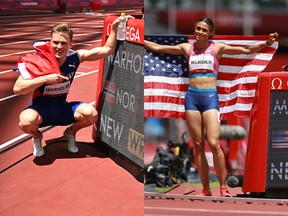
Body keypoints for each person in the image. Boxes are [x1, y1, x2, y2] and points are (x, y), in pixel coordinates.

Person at [144, 16, 278, 197]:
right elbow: (158, 48)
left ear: (210, 34)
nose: (200, 32)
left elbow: (246, 50)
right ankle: (206, 188)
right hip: (191, 97)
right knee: (198, 145)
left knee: (214, 143)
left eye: (204, 30)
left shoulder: (217, 48)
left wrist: (267, 42)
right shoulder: (186, 48)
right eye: (198, 28)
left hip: (210, 98)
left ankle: (223, 187)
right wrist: (140, 39)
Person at [13, 15, 128, 157]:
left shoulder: (76, 57)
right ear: (50, 42)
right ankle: (37, 136)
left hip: (62, 107)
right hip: (40, 108)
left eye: (63, 43)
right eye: (55, 42)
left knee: (91, 114)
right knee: (25, 122)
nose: (59, 47)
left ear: (71, 44)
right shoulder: (39, 61)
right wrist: (45, 79)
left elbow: (107, 50)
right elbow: (18, 88)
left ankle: (70, 133)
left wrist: (115, 28)